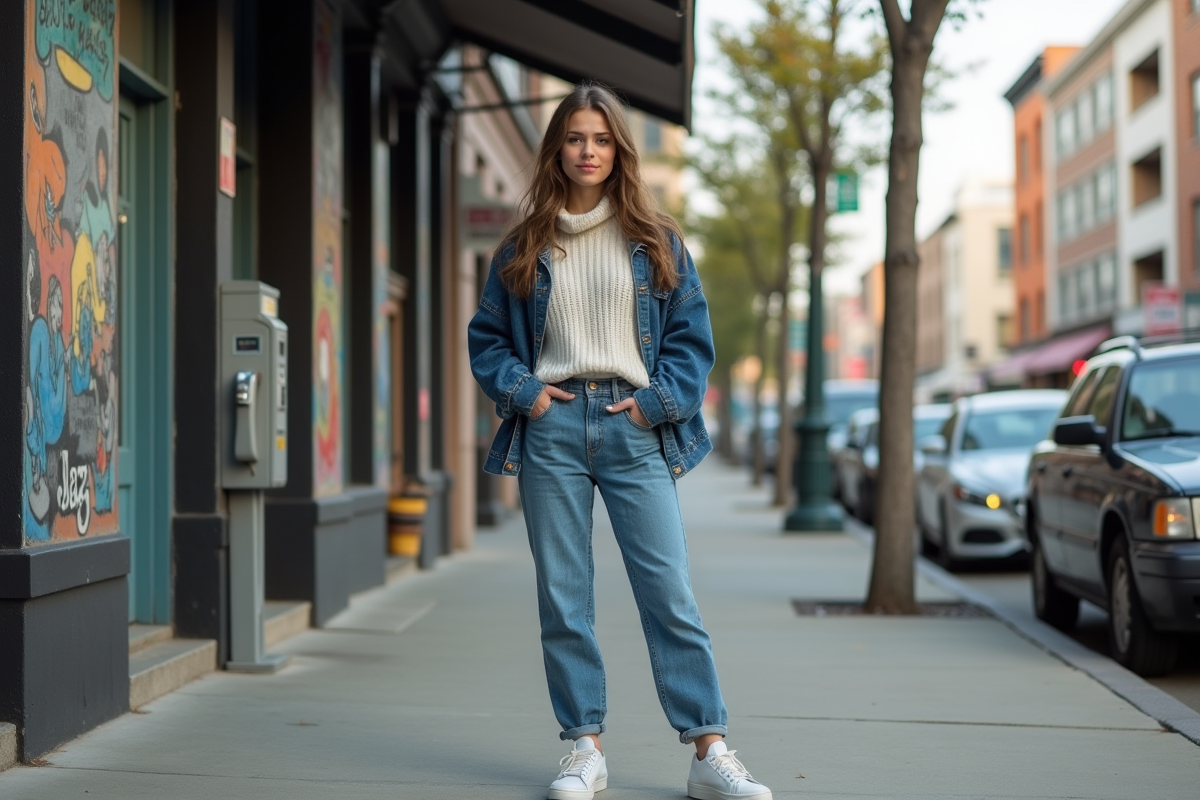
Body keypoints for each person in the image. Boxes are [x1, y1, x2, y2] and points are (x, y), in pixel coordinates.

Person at [468, 82, 772, 800]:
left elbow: (693, 345)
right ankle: (584, 747)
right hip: (552, 428)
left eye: (601, 139)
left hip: (634, 427)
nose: (588, 151)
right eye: (575, 138)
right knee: (565, 597)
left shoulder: (656, 241)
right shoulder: (523, 246)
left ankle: (709, 751)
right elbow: (486, 341)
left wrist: (653, 404)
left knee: (668, 592)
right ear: (557, 149)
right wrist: (526, 393)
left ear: (619, 149)